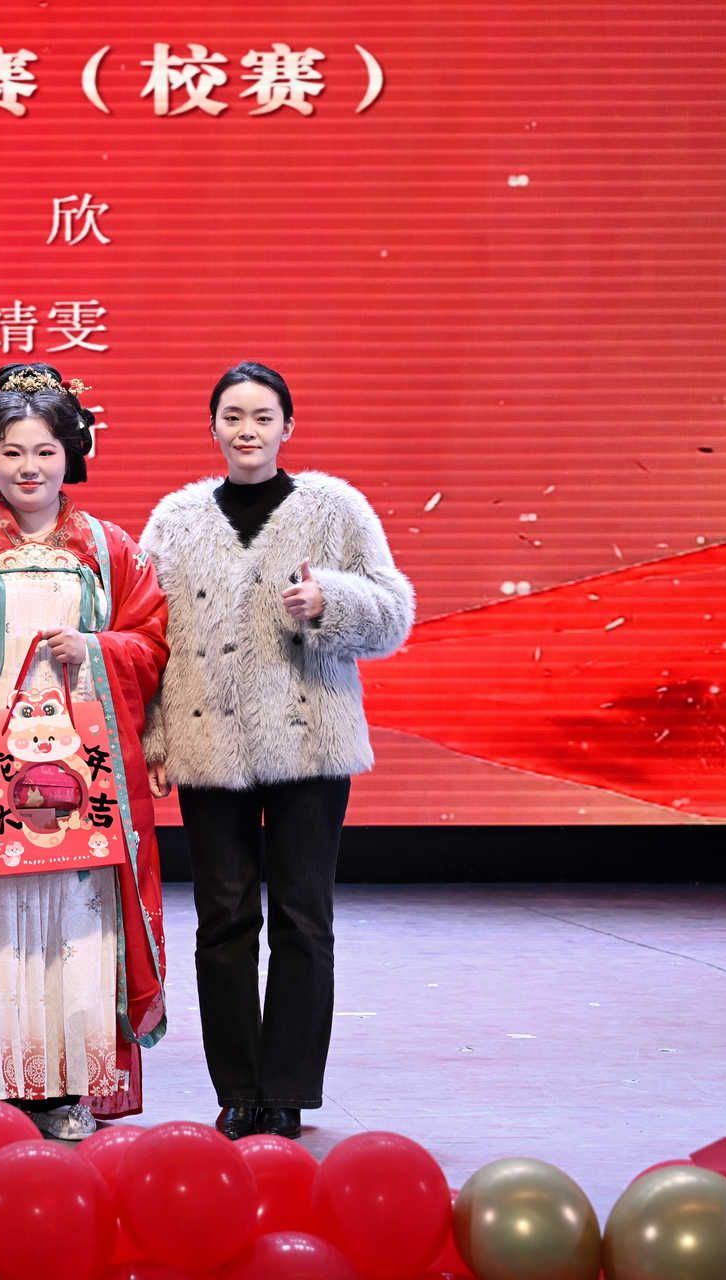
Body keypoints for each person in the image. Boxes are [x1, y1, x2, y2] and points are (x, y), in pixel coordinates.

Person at [138, 361, 415, 1141]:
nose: (247, 430)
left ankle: (287, 1088)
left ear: (287, 426)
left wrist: (332, 601)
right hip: (208, 741)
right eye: (233, 416)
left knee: (302, 916)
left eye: (263, 417)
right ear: (213, 426)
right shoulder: (176, 520)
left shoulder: (334, 508)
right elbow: (151, 634)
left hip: (311, 741)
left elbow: (394, 613)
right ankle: (238, 1088)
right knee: (222, 919)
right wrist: (155, 734)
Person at [0, 362, 169, 1140]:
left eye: (45, 451)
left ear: (70, 453)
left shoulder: (111, 549)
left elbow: (152, 641)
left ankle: (68, 1082)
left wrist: (98, 647)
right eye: (12, 451)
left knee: (78, 922)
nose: (28, 468)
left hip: (80, 773)